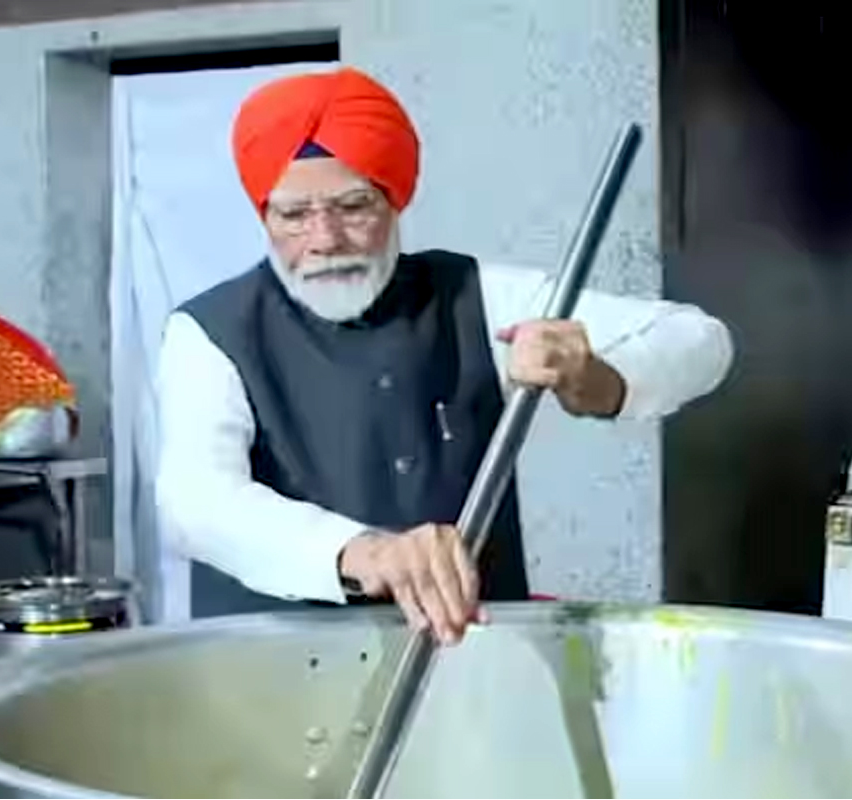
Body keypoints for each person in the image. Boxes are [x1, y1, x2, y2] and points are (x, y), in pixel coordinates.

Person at [155, 66, 733, 645]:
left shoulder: (476, 296)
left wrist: (593, 379)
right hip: (269, 679)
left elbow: (701, 342)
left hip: (473, 671)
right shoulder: (208, 332)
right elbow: (196, 503)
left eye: (353, 206)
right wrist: (369, 553)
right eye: (294, 214)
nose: (325, 238)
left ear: (395, 199)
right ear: (264, 216)